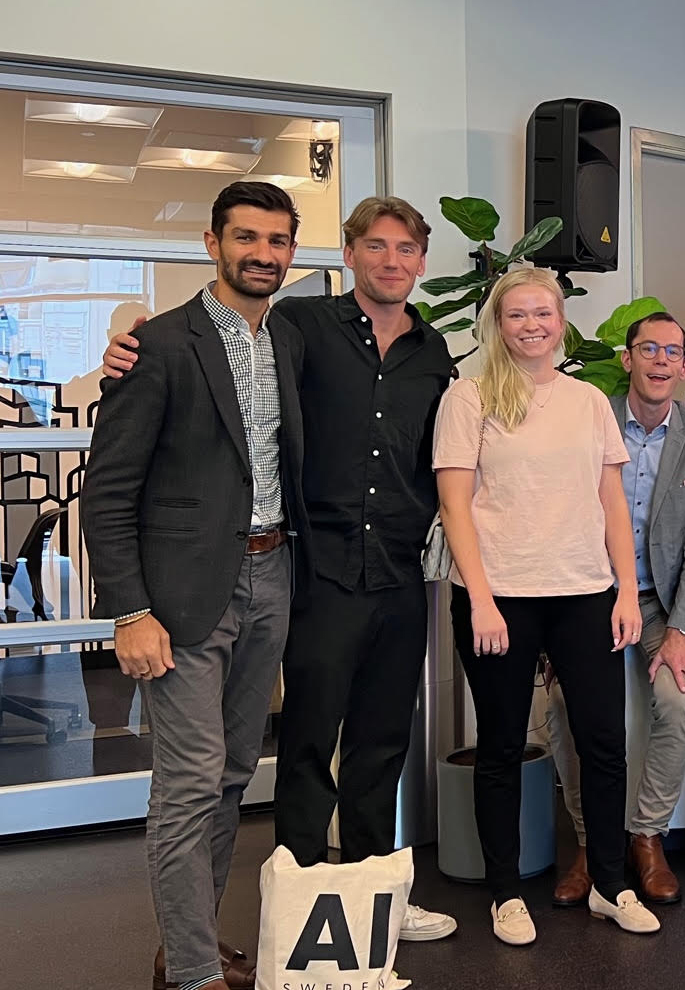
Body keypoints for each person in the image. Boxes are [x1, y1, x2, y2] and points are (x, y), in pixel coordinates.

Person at [103, 197, 460, 946]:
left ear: (422, 262)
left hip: (391, 573)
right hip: (313, 570)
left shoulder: (433, 354)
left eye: (407, 250)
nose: (392, 261)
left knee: (374, 745)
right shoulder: (303, 327)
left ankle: (372, 900)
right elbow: (189, 340)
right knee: (295, 750)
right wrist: (122, 335)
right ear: (350, 254)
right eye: (377, 246)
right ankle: (292, 909)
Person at [85, 181, 308, 990]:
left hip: (270, 575)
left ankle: (191, 940)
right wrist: (131, 611)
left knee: (233, 773)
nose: (262, 254)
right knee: (189, 780)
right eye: (246, 237)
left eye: (277, 240)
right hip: (179, 597)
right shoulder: (160, 344)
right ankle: (190, 973)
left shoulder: (288, 339)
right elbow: (106, 491)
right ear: (213, 243)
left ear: (291, 250)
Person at [434, 267, 656, 941]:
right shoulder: (468, 398)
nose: (532, 325)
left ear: (563, 322)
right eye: (517, 315)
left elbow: (611, 502)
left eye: (544, 314)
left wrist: (625, 589)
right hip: (498, 599)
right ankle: (505, 893)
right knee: (501, 745)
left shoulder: (589, 400)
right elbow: (455, 505)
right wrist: (481, 600)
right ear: (497, 325)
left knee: (604, 744)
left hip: (585, 594)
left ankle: (612, 885)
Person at [543, 311, 685, 907]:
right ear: (627, 360)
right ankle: (591, 842)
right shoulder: (589, 416)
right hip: (591, 592)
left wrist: (680, 630)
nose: (659, 361)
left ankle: (647, 835)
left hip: (662, 602)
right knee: (566, 704)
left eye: (672, 351)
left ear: (684, 366)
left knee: (678, 698)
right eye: (648, 349)